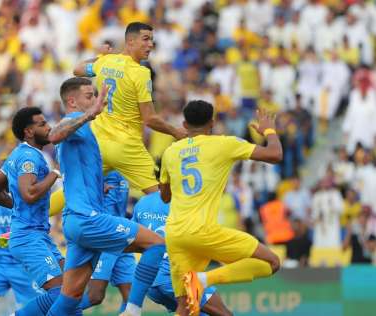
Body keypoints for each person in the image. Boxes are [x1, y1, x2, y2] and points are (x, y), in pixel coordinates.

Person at [46, 78, 165, 316]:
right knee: (156, 244)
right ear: (72, 101)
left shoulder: (84, 130)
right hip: (88, 219)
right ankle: (132, 310)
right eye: (89, 96)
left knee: (71, 297)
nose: (95, 100)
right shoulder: (73, 120)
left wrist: (97, 188)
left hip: (77, 220)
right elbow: (54, 135)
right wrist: (89, 113)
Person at [160, 100, 282, 316]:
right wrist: (269, 131)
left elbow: (165, 196)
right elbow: (274, 155)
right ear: (213, 123)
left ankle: (198, 281)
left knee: (186, 306)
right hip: (202, 231)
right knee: (271, 262)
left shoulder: (170, 152)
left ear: (184, 124)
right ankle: (205, 279)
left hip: (176, 234)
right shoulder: (224, 144)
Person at [73, 22, 185, 195]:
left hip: (99, 142)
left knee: (74, 191)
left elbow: (77, 69)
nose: (150, 44)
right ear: (130, 42)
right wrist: (175, 131)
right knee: (163, 197)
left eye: (152, 40)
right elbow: (149, 119)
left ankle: (19, 217)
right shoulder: (141, 73)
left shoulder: (106, 61)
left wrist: (100, 56)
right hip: (126, 147)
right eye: (146, 39)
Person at [0, 107, 64, 315]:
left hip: (37, 235)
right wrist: (55, 172)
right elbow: (29, 193)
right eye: (41, 124)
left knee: (72, 291)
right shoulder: (29, 157)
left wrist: (18, 208)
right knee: (60, 293)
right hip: (29, 238)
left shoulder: (17, 154)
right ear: (28, 132)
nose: (48, 127)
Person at [132, 183, 231, 316]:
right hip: (177, 276)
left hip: (149, 280)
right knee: (224, 314)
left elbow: (133, 236)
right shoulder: (186, 203)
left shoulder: (143, 202)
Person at [78, 172, 135, 313]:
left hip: (122, 236)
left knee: (133, 299)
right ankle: (51, 312)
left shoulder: (127, 165)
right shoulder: (99, 165)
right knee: (95, 296)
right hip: (104, 237)